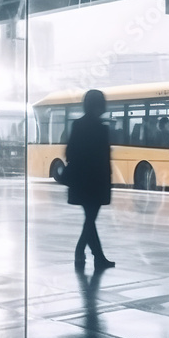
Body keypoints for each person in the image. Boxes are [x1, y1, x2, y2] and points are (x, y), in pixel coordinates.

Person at [66, 89, 115, 270]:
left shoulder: (77, 125)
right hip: (96, 182)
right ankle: (85, 252)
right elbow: (104, 159)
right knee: (90, 220)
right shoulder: (102, 128)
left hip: (81, 181)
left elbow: (70, 152)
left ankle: (95, 255)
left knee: (90, 219)